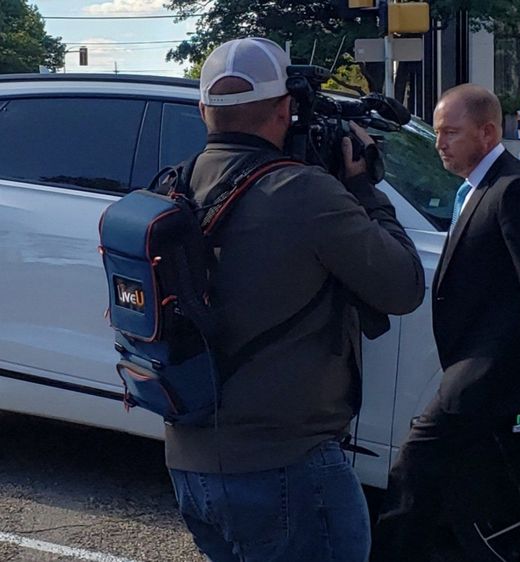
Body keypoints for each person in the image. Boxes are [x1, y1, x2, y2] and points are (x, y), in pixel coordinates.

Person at [164, 37, 425, 562]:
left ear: (202, 111)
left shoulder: (178, 183)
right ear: (286, 109)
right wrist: (363, 189)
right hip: (286, 467)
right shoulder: (304, 193)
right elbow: (402, 286)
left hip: (190, 465)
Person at [371, 84, 520, 562]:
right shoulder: (475, 188)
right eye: (439, 132)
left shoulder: (515, 189)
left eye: (451, 132)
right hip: (492, 375)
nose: (440, 142)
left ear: (487, 133)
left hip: (491, 374)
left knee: (414, 476)